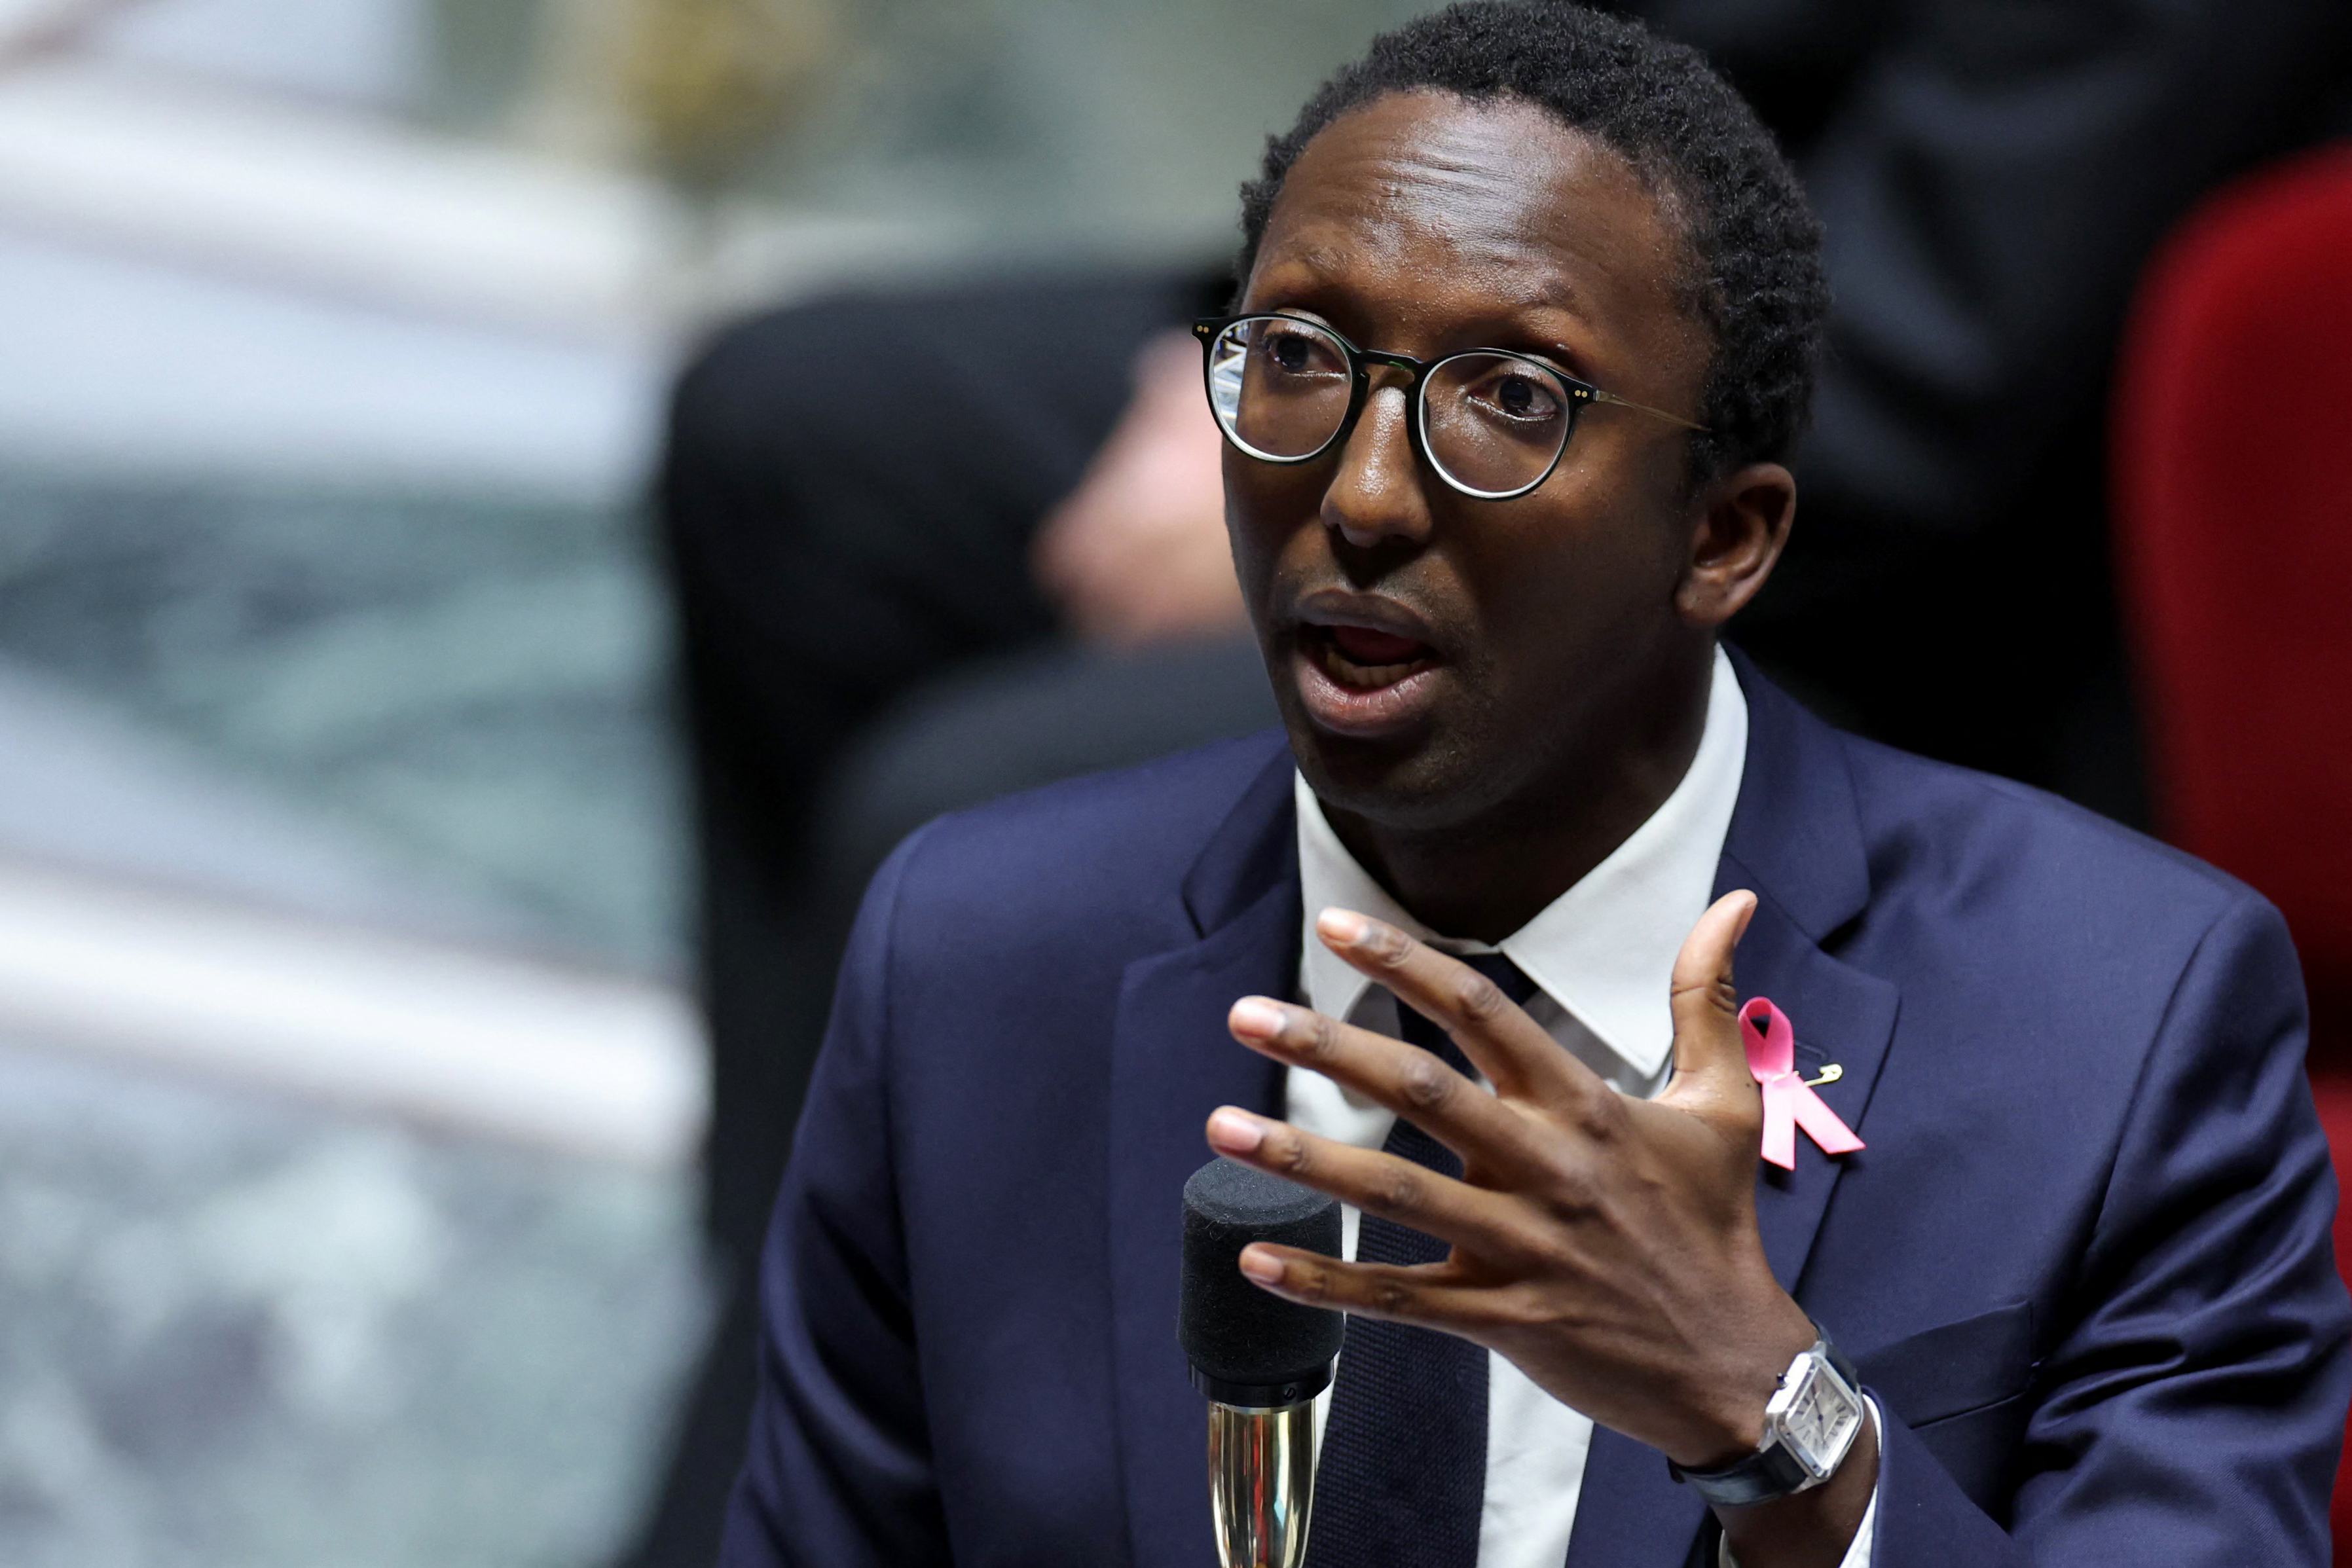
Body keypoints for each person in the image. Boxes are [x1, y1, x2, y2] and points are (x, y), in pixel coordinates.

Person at [718, 6, 2351, 1566]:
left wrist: (1771, 1421)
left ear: (1723, 537)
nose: (1359, 495)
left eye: (1512, 398)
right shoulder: (974, 956)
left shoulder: (2120, 1021)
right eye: (1297, 355)